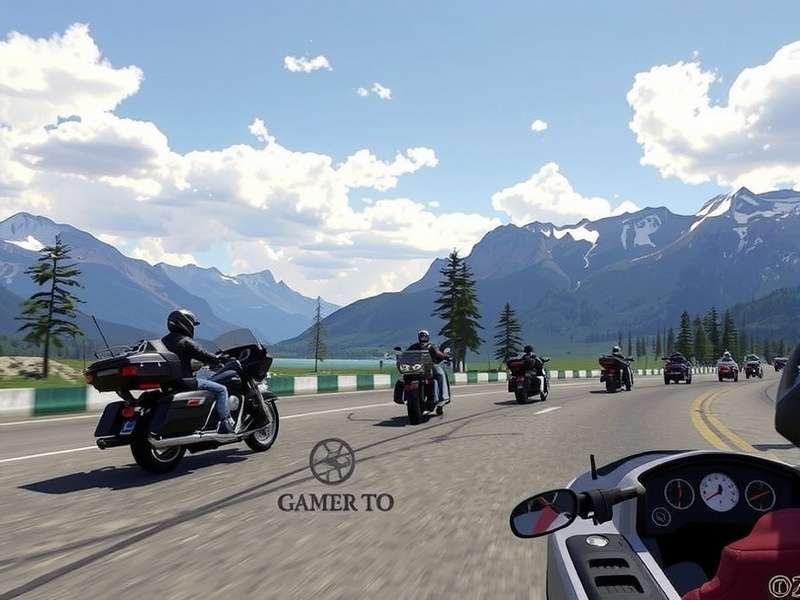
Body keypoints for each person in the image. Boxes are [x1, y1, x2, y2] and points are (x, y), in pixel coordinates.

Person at [161, 309, 237, 434]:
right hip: (186, 382)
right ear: (185, 323)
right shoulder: (185, 341)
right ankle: (226, 422)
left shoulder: (163, 341)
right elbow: (203, 355)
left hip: (168, 383)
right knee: (222, 389)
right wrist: (219, 359)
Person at [407, 330, 450, 404]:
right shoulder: (414, 346)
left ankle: (442, 397)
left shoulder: (432, 346)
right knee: (405, 377)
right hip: (417, 367)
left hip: (431, 365)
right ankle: (405, 396)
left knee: (440, 373)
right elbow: (406, 354)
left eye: (424, 336)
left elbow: (438, 353)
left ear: (428, 337)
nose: (423, 338)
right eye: (421, 336)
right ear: (419, 337)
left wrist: (445, 356)